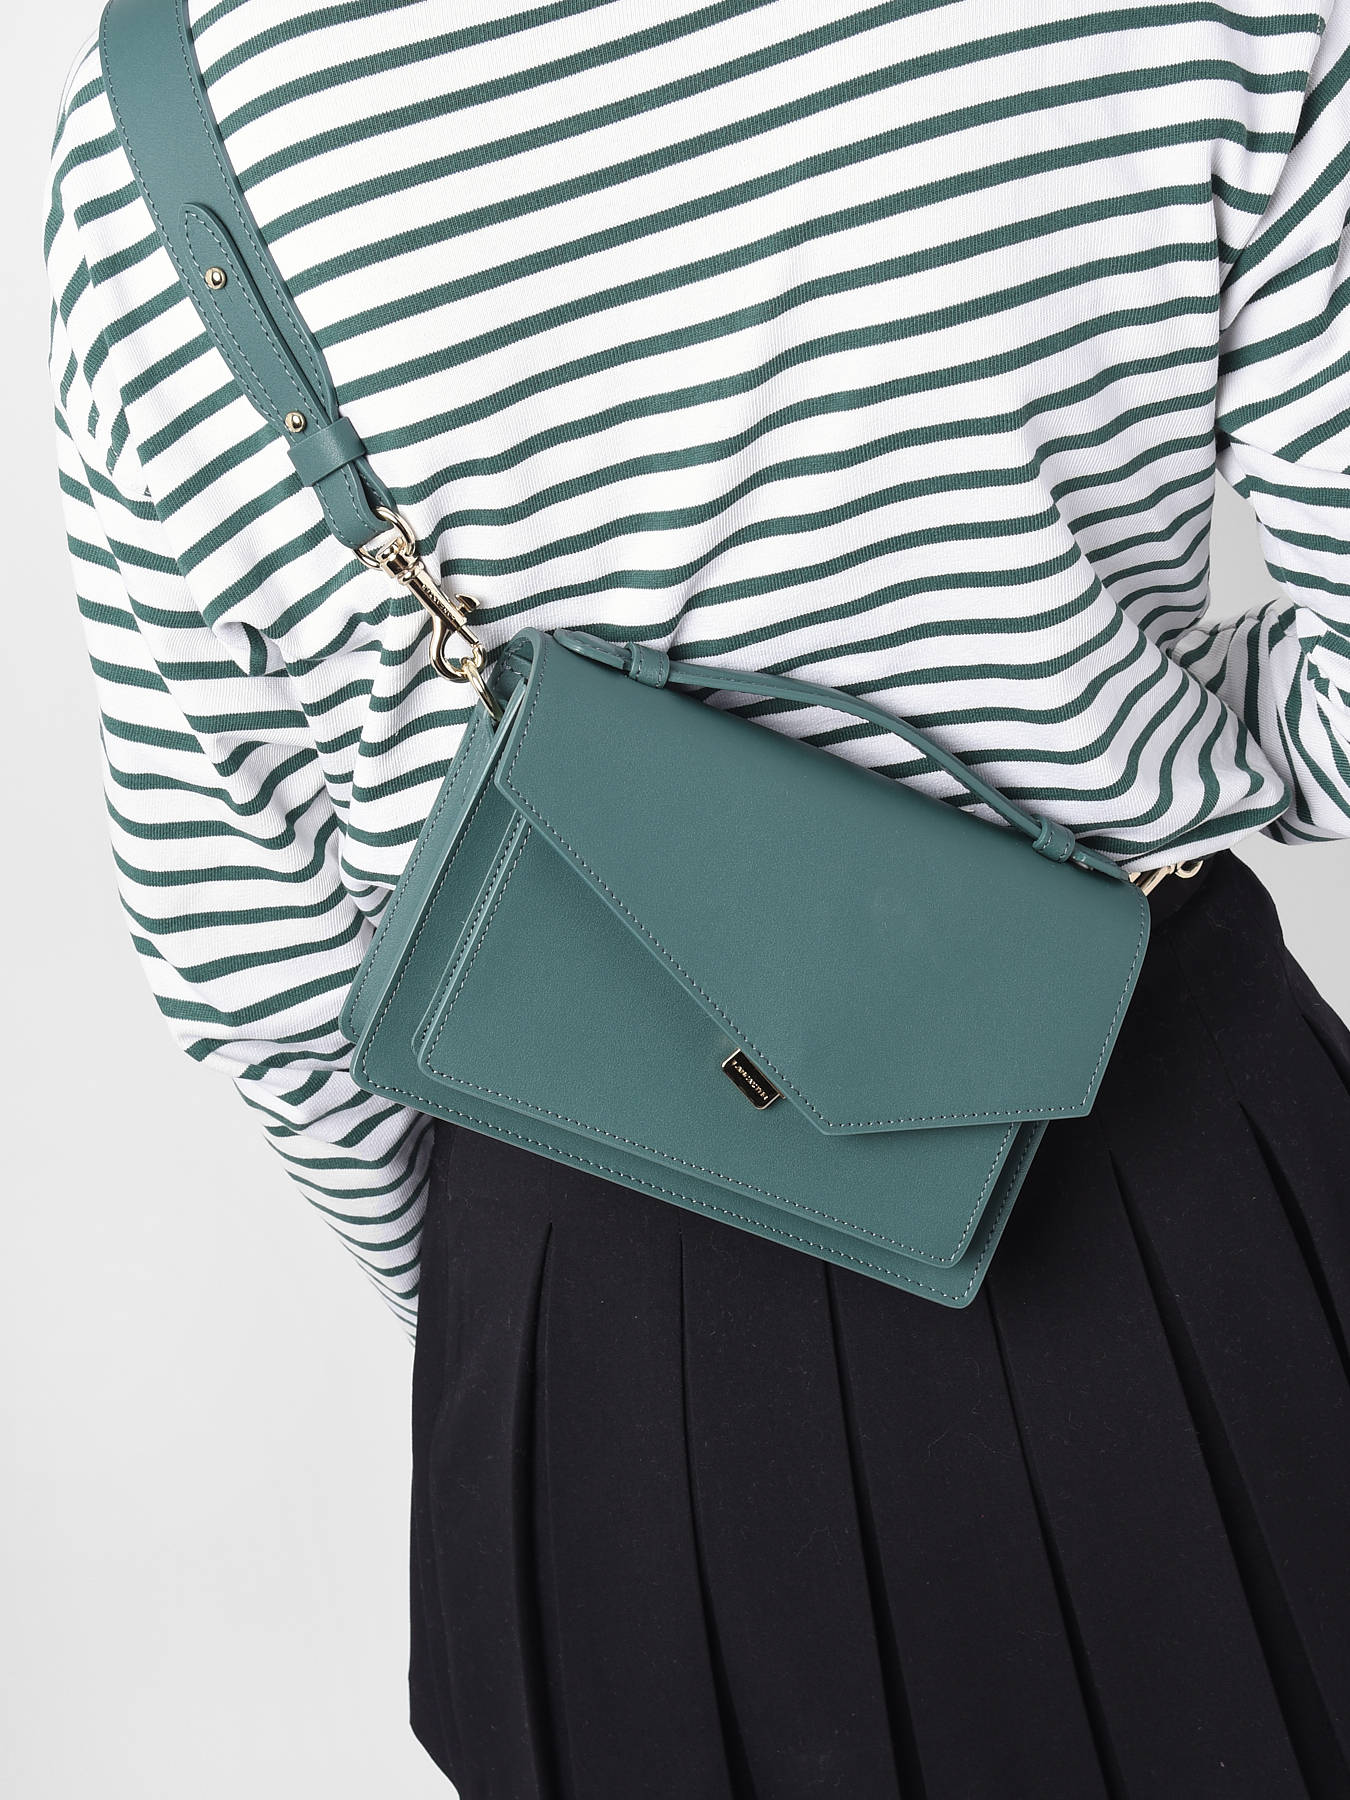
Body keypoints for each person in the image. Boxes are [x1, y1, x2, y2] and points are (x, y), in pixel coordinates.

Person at [46, 2, 1350, 1794]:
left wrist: (515, 1305)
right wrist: (1168, 747)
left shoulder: (161, 121)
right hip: (1193, 1192)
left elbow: (250, 949)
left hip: (606, 1310)